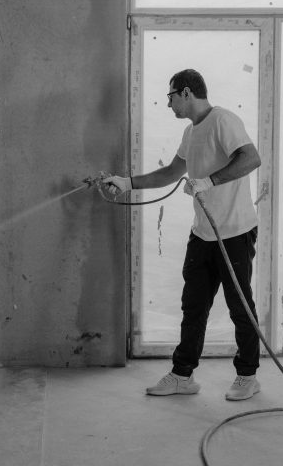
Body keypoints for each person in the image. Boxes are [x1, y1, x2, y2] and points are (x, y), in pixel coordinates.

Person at [103, 69, 262, 401]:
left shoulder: (223, 121)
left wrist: (209, 181)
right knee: (193, 306)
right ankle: (182, 375)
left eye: (171, 96)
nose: (169, 104)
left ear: (186, 93)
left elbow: (251, 158)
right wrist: (126, 182)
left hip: (233, 233)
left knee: (239, 306)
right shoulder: (192, 132)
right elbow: (172, 172)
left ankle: (247, 376)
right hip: (203, 234)